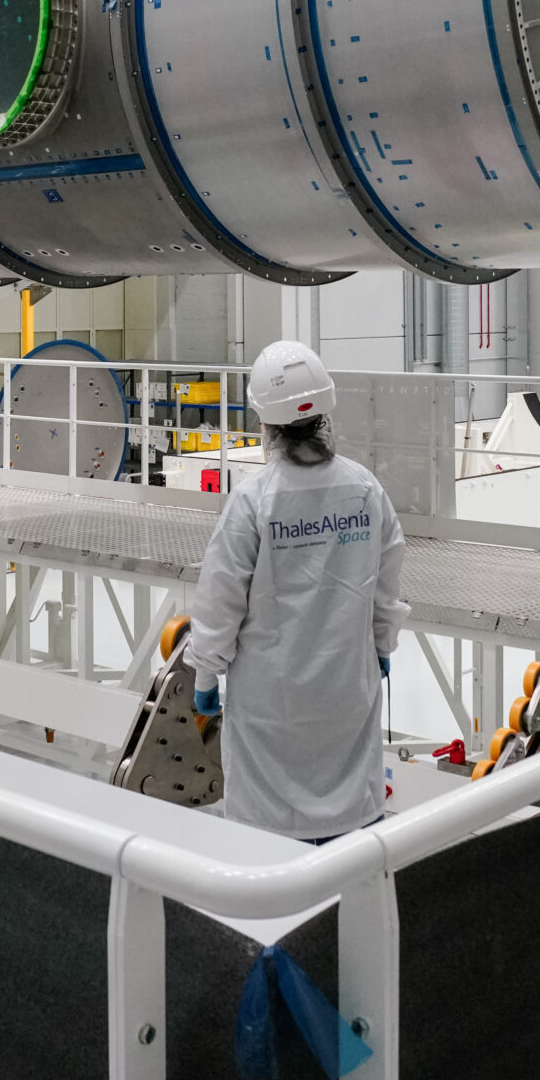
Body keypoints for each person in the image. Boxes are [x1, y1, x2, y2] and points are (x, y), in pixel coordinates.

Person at [185, 341, 408, 843]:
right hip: (347, 692)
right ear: (326, 411)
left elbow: (220, 601)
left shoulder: (253, 501)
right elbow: (386, 586)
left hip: (271, 705)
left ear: (264, 421)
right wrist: (382, 646)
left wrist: (206, 674)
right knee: (352, 845)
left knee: (269, 848)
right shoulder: (365, 490)